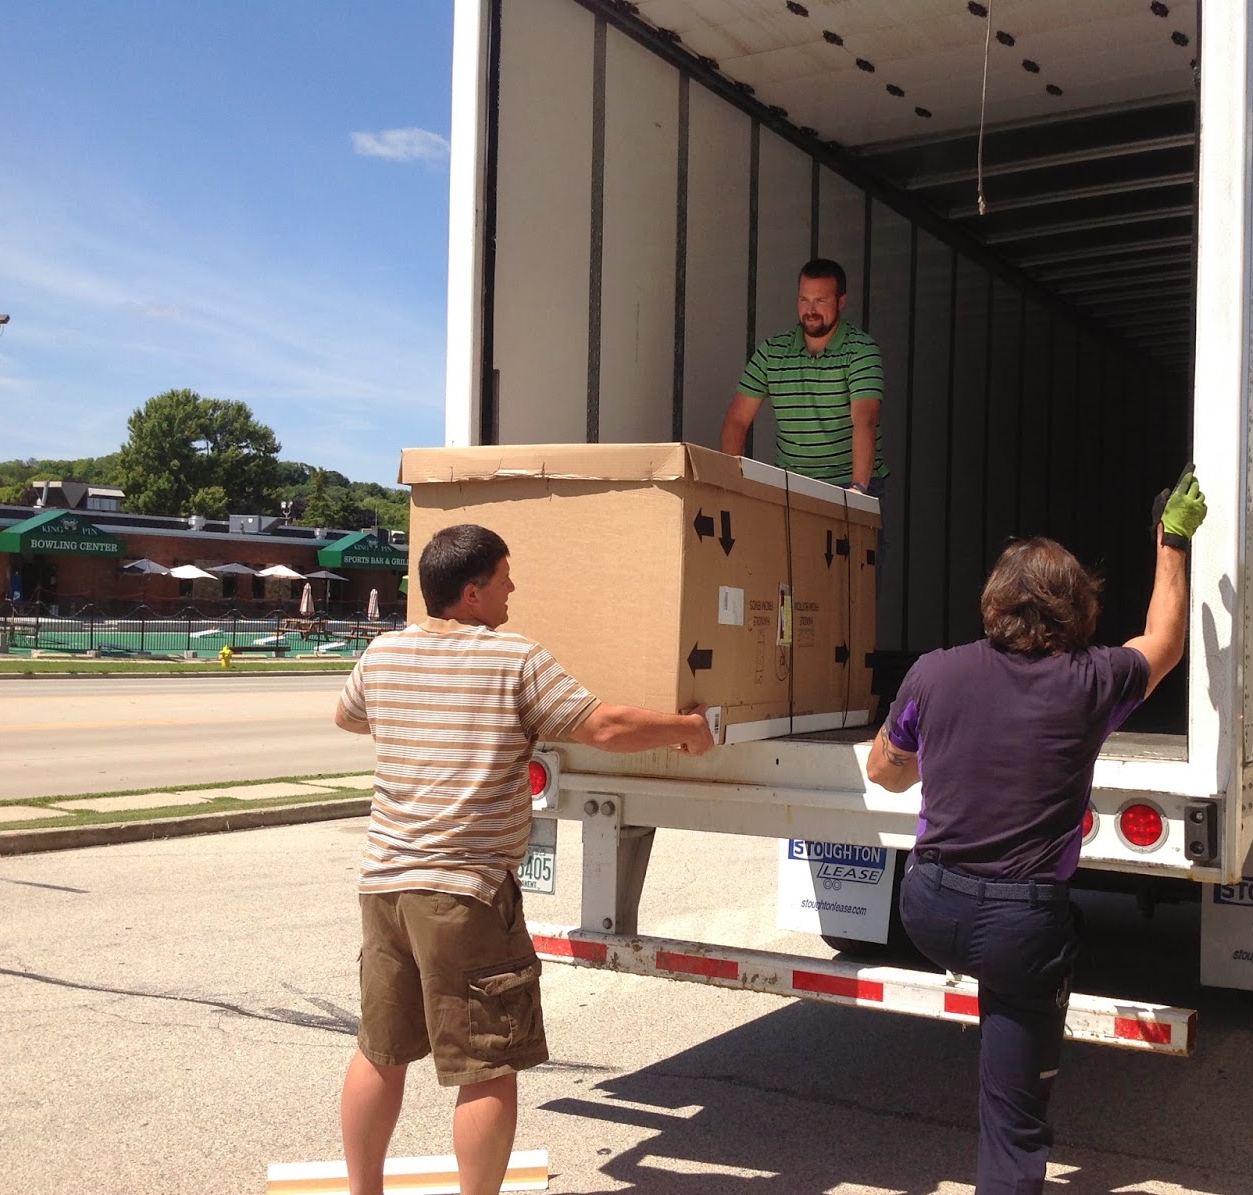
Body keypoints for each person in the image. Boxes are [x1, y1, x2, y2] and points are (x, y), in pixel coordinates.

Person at [333, 523, 715, 1195]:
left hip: (383, 888)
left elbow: (349, 717)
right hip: (464, 893)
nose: (515, 590)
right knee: (486, 1065)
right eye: (506, 579)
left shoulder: (383, 655)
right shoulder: (511, 658)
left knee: (380, 1051)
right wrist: (688, 730)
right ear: (473, 592)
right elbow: (603, 726)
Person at [865, 471, 1207, 1194]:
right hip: (1020, 923)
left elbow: (886, 771)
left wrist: (938, 744)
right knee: (1014, 1109)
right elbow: (1166, 640)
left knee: (996, 963)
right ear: (1077, 609)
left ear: (995, 600)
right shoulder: (1092, 679)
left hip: (928, 908)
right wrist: (1171, 541)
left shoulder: (935, 672)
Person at [721, 258, 888, 499]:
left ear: (841, 302)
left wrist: (858, 490)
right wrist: (732, 481)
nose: (810, 310)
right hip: (791, 485)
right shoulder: (773, 351)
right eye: (804, 299)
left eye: (821, 300)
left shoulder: (862, 350)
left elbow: (866, 420)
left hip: (847, 483)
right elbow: (737, 421)